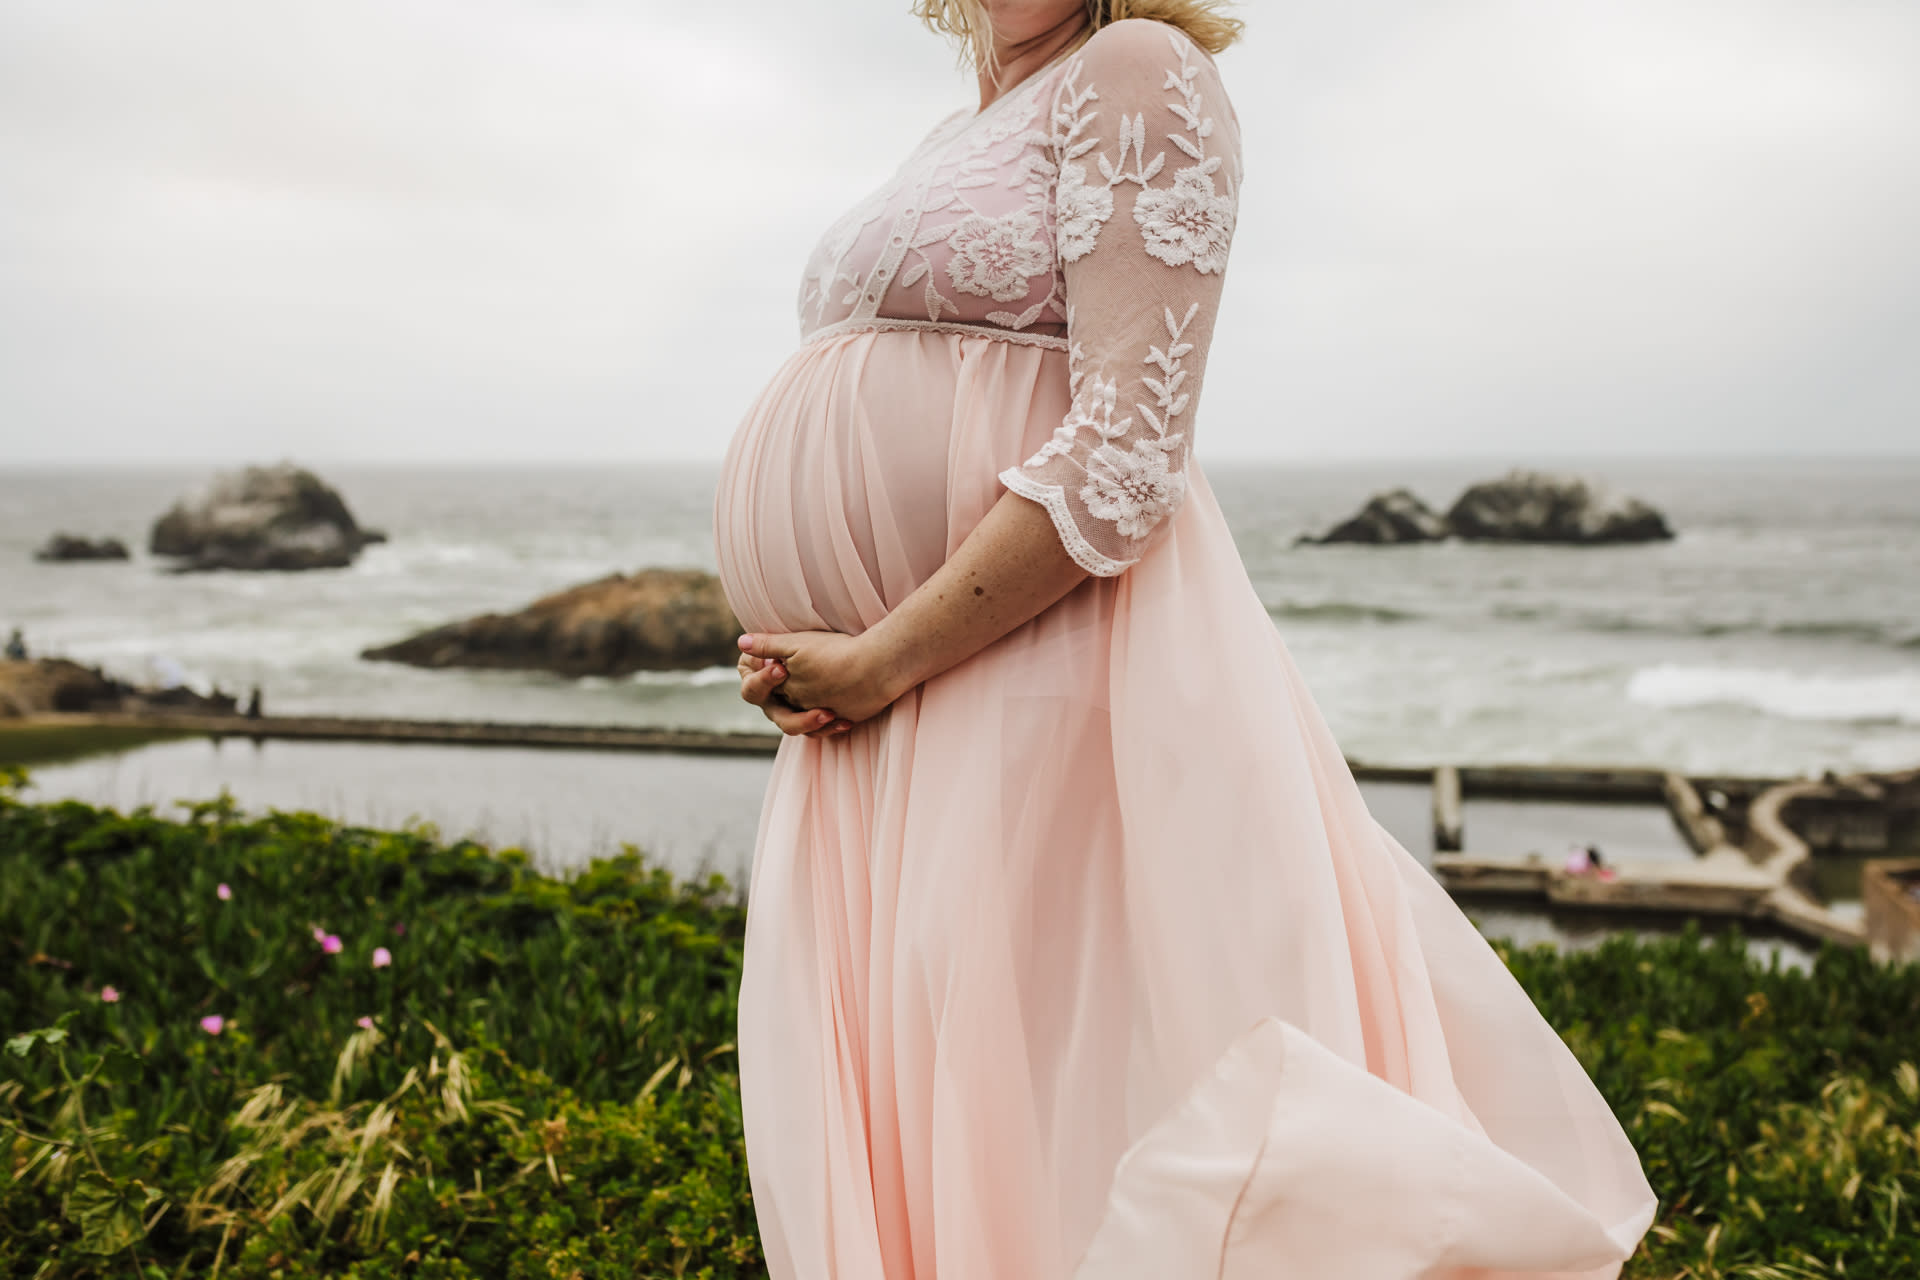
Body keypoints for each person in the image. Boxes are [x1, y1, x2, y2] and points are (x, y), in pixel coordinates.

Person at [712, 2, 1657, 1276]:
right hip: (890, 733)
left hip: (1028, 691)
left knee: (1069, 1122)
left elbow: (1126, 452)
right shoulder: (965, 120)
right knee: (949, 1120)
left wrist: (883, 655)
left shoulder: (1137, 66)